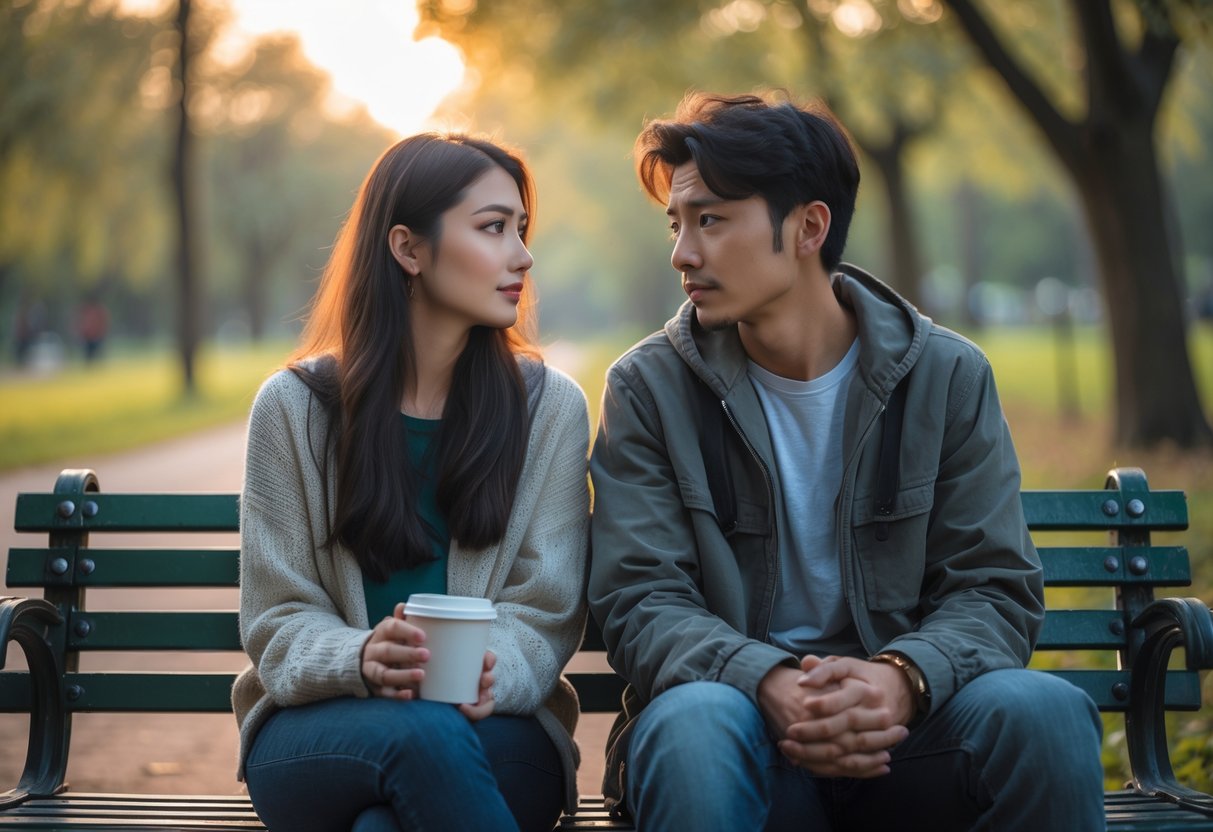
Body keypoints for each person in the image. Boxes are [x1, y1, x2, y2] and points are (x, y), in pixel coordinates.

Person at [587, 91, 1105, 831]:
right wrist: (766, 680)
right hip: (739, 732)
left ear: (807, 227)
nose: (682, 253)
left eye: (710, 219)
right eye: (676, 223)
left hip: (910, 734)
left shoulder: (946, 377)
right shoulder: (648, 389)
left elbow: (992, 586)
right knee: (694, 725)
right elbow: (641, 599)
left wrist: (900, 679)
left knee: (1043, 712)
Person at [234, 133, 591, 832]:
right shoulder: (293, 409)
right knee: (420, 739)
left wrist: (494, 669)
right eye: (493, 228)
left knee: (385, 823)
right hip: (321, 732)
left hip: (500, 732)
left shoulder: (550, 410)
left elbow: (544, 610)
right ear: (408, 249)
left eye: (521, 229)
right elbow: (275, 619)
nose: (521, 255)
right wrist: (361, 657)